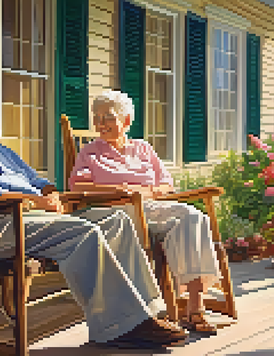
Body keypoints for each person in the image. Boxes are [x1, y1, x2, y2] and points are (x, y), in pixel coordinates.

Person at [0, 82, 188, 349]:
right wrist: (34, 201)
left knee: (116, 221)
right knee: (84, 232)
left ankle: (146, 312)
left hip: (30, 216)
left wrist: (51, 193)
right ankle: (119, 326)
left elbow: (35, 178)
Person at [69, 90, 222, 334]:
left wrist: (147, 191)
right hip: (118, 211)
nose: (99, 124)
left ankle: (194, 306)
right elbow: (78, 185)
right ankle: (186, 310)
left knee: (193, 217)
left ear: (126, 120)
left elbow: (166, 184)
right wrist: (122, 189)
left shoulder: (143, 148)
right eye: (96, 118)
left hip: (151, 207)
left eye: (107, 117)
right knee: (185, 219)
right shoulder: (91, 152)